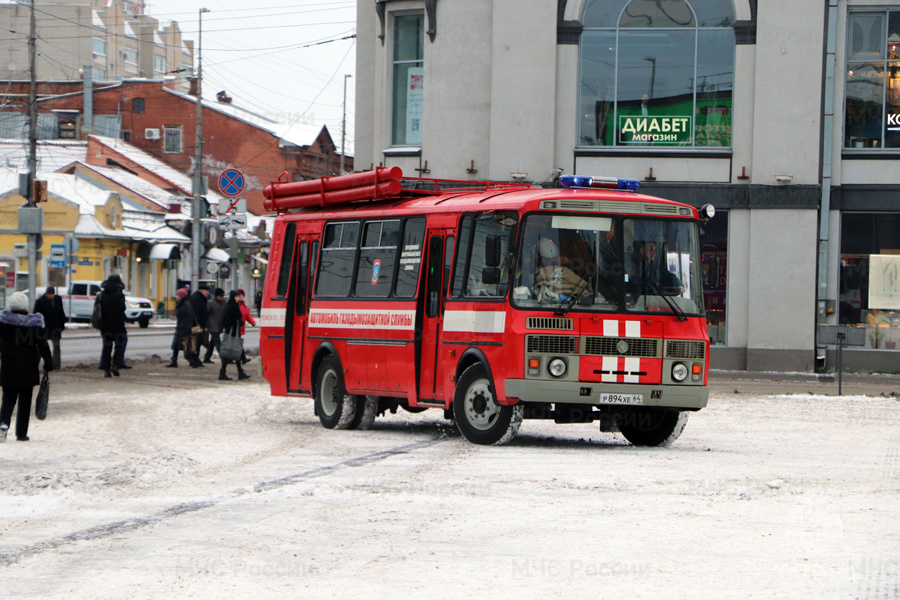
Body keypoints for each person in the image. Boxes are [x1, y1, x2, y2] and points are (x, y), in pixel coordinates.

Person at [0, 292, 52, 442]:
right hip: (28, 366)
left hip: (8, 366)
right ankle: (21, 434)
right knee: (25, 401)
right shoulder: (34, 323)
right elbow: (42, 344)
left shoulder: (3, 322)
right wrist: (48, 363)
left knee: (8, 399)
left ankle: (3, 424)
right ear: (25, 305)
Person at [533, 238, 592, 304]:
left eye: (554, 259)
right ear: (540, 259)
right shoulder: (536, 274)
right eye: (549, 260)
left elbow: (585, 286)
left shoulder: (566, 271)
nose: (552, 263)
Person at [98, 274, 128, 378]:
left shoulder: (102, 294)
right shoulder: (119, 294)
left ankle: (106, 370)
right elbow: (122, 308)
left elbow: (98, 309)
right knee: (119, 346)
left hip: (105, 325)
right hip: (117, 325)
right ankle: (115, 365)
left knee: (107, 347)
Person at [33, 286, 67, 370]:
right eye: (49, 294)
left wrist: (62, 325)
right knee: (41, 347)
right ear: (46, 294)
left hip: (56, 327)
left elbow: (61, 312)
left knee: (56, 346)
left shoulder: (58, 300)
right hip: (45, 328)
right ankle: (35, 364)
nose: (51, 296)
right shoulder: (40, 302)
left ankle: (56, 365)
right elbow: (36, 316)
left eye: (52, 294)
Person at [167, 288, 202, 368]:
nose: (176, 296)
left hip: (184, 328)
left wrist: (187, 328)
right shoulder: (180, 304)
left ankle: (192, 361)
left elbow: (190, 317)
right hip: (180, 327)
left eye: (177, 295)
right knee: (176, 346)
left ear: (181, 296)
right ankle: (174, 361)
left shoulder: (186, 305)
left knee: (186, 346)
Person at [220, 290, 250, 381]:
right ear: (233, 297)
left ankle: (239, 372)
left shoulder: (229, 306)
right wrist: (238, 322)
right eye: (236, 297)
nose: (238, 298)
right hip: (233, 333)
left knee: (236, 351)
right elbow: (234, 319)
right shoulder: (233, 307)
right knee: (235, 350)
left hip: (231, 332)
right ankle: (224, 372)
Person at [204, 288, 227, 364]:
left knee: (212, 343)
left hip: (220, 324)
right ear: (216, 296)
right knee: (217, 342)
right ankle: (223, 358)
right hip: (212, 325)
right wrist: (206, 324)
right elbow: (206, 313)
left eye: (223, 295)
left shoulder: (224, 303)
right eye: (221, 296)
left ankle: (207, 357)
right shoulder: (210, 303)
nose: (222, 297)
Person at [237, 288, 256, 364]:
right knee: (238, 343)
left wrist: (252, 322)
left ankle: (241, 358)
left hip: (240, 326)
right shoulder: (236, 304)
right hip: (236, 327)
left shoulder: (243, 305)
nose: (241, 297)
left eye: (242, 295)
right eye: (239, 295)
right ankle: (242, 358)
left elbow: (247, 315)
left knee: (238, 343)